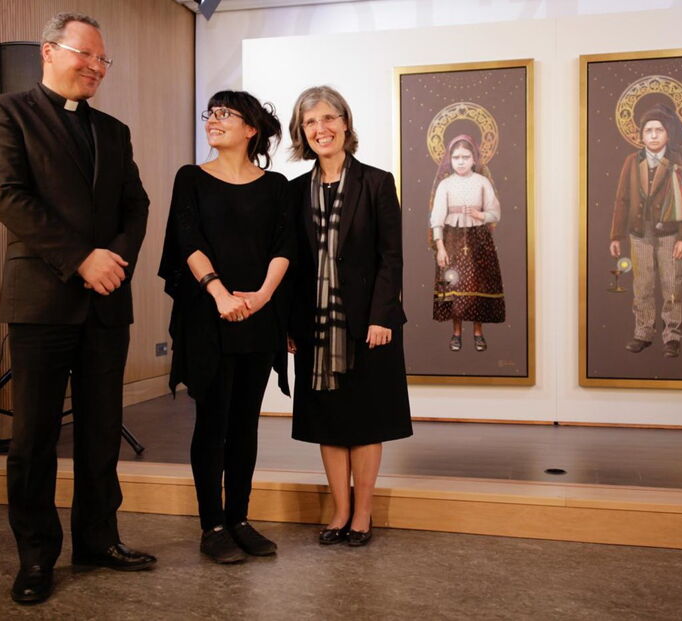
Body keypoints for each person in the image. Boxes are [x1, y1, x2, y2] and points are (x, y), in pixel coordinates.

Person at [0, 12, 154, 605]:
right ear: (49, 51)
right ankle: (35, 556)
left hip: (107, 302)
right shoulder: (4, 112)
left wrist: (113, 262)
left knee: (102, 433)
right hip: (42, 299)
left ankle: (98, 540)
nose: (97, 69)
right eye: (87, 56)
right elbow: (9, 197)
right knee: (34, 437)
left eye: (105, 61)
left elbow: (137, 203)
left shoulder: (114, 129)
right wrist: (82, 259)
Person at [159, 90, 292, 564]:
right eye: (209, 113)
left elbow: (284, 246)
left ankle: (239, 517)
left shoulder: (276, 185)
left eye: (224, 114)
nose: (212, 121)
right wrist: (218, 293)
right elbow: (186, 238)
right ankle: (212, 525)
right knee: (212, 423)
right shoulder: (191, 178)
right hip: (208, 316)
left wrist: (261, 297)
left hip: (257, 316)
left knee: (245, 425)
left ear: (251, 128)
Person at [287, 85, 413, 547]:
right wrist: (289, 324)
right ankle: (339, 510)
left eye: (328, 118)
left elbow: (391, 257)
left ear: (345, 123)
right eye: (310, 122)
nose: (321, 129)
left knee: (365, 420)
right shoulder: (294, 191)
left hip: (367, 326)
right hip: (315, 326)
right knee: (329, 421)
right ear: (303, 132)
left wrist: (382, 315)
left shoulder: (377, 183)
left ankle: (363, 514)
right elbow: (292, 263)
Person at [609, 103, 682, 358]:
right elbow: (622, 199)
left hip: (669, 233)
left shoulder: (677, 160)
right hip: (639, 234)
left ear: (668, 134)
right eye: (649, 131)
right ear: (641, 136)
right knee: (643, 285)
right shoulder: (631, 161)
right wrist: (616, 235)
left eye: (659, 130)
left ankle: (672, 336)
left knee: (672, 284)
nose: (654, 135)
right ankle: (643, 332)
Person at [429, 134, 505, 352]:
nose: (460, 161)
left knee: (476, 285)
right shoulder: (445, 185)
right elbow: (437, 218)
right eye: (456, 157)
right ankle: (456, 333)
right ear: (449, 160)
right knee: (455, 285)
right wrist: (440, 247)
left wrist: (480, 216)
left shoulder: (482, 183)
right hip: (452, 239)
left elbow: (495, 213)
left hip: (478, 240)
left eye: (465, 156)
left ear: (474, 159)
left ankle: (478, 333)